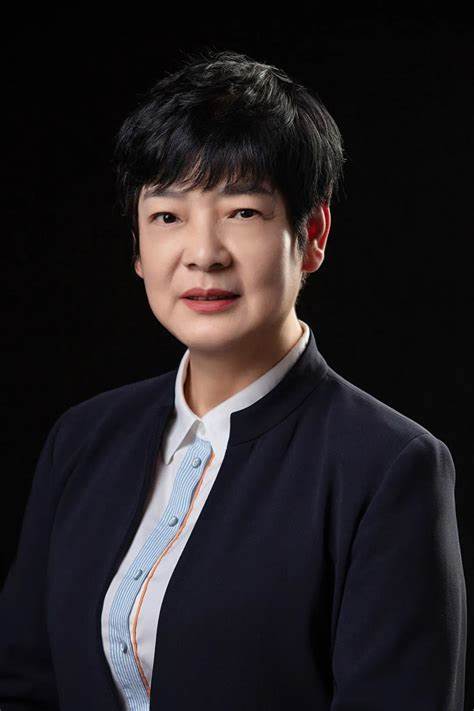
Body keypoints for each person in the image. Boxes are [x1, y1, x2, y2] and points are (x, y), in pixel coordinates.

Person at [0, 48, 467, 711]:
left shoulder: (390, 466)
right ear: (137, 246)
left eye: (243, 211)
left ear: (312, 234)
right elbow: (23, 684)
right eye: (168, 216)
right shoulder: (82, 439)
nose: (203, 253)